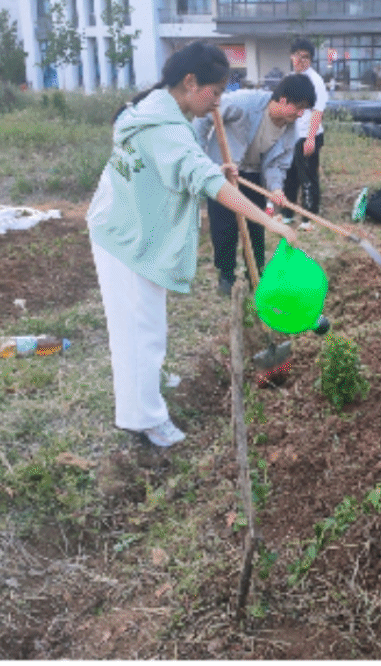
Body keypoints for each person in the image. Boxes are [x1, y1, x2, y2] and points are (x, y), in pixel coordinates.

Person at [87, 43, 291, 447]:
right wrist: (269, 221)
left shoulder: (153, 109)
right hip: (126, 238)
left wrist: (212, 166)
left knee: (146, 324)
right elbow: (204, 180)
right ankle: (145, 421)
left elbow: (174, 162)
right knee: (138, 333)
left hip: (124, 223)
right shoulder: (165, 128)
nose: (217, 103)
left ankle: (149, 380)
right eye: (215, 92)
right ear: (190, 82)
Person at [193, 72, 313, 296]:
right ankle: (226, 276)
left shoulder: (290, 129)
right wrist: (199, 157)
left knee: (256, 227)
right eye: (299, 107)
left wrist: (276, 189)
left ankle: (255, 275)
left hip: (254, 175)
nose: (301, 114)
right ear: (283, 100)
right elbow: (203, 118)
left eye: (304, 109)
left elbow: (277, 164)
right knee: (224, 227)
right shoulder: (244, 103)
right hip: (224, 172)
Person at [282, 38, 329, 216]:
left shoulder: (315, 81)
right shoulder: (288, 79)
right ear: (291, 56)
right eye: (297, 56)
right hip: (291, 137)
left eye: (305, 57)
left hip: (309, 135)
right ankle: (287, 214)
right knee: (289, 176)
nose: (300, 60)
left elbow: (318, 111)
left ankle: (309, 216)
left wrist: (310, 139)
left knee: (308, 178)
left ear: (310, 60)